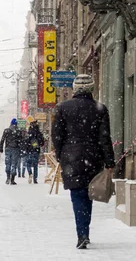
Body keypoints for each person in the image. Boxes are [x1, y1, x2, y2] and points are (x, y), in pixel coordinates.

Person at [52, 74, 115, 250]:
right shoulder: (100, 109)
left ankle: (82, 233)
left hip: (71, 158)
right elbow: (104, 138)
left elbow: (57, 136)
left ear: (75, 88)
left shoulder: (63, 108)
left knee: (78, 195)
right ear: (91, 89)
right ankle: (84, 231)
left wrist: (60, 155)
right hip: (93, 157)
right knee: (89, 194)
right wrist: (110, 161)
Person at [0, 118, 22, 185]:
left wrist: (1, 148)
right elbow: (21, 141)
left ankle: (8, 177)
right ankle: (12, 180)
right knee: (14, 164)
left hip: (8, 149)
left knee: (8, 163)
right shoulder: (18, 131)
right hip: (16, 149)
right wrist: (21, 149)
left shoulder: (6, 131)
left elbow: (2, 140)